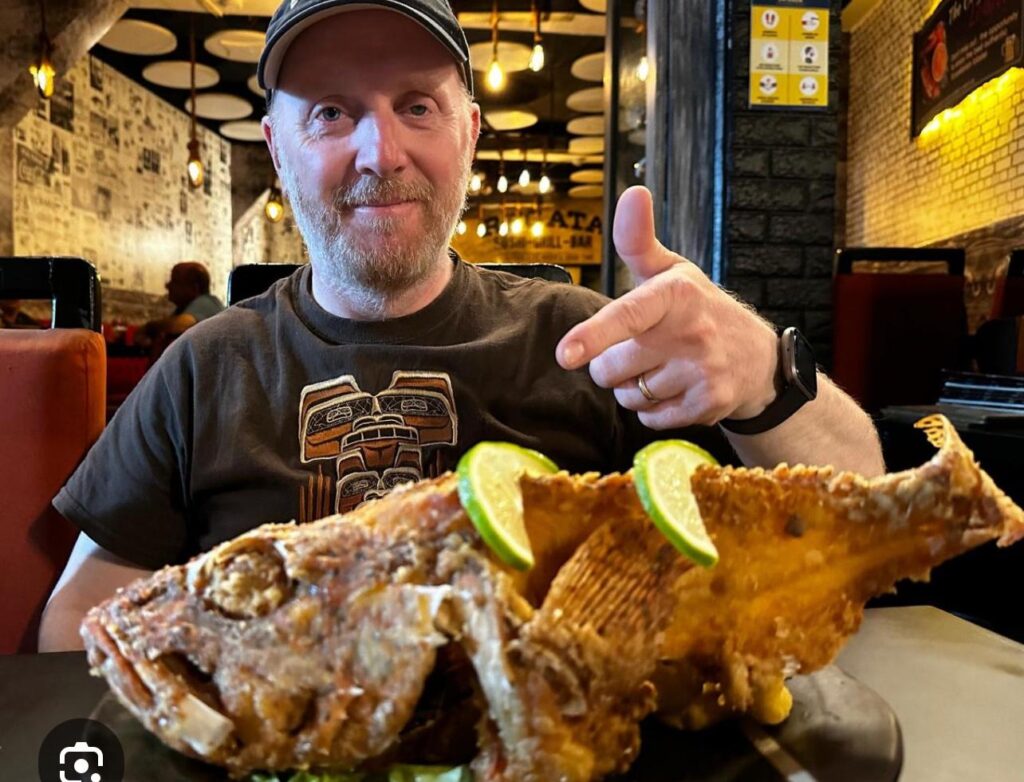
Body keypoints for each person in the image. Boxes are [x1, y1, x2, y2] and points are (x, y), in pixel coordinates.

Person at [38, 0, 883, 651]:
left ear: (469, 134)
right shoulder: (203, 366)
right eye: (331, 112)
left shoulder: (592, 342)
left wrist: (769, 378)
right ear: (277, 145)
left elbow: (859, 524)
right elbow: (75, 615)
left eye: (417, 106)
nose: (381, 153)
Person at [135, 261, 224, 355]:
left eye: (175, 281)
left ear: (194, 288)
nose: (167, 286)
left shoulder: (206, 302)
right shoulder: (184, 309)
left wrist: (150, 327)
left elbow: (181, 325)